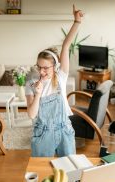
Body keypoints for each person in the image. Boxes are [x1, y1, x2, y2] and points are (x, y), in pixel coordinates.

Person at [25, 5, 83, 157]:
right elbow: (31, 115)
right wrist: (37, 94)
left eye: (46, 68)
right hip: (43, 134)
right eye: (39, 67)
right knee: (42, 171)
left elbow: (66, 46)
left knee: (70, 169)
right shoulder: (30, 84)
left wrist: (76, 22)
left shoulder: (61, 77)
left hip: (64, 129)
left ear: (55, 66)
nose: (41, 72)